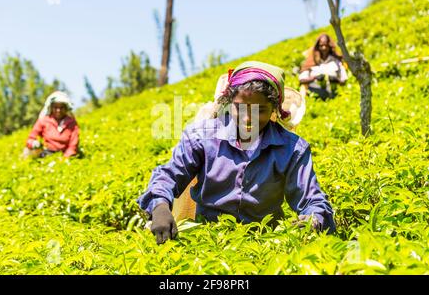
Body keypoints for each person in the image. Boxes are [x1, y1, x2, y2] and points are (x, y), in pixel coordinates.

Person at [137, 61, 336, 244]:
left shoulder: (292, 149)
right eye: (240, 108)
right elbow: (169, 175)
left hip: (264, 243)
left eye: (260, 110)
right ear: (229, 102)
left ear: (274, 109)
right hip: (208, 239)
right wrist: (160, 206)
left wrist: (313, 220)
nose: (248, 119)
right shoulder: (202, 137)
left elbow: (313, 199)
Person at [24, 91, 79, 158]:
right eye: (55, 107)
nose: (58, 110)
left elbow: (73, 144)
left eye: (61, 107)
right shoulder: (44, 120)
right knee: (27, 151)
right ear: (51, 108)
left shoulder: (71, 123)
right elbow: (31, 137)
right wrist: (33, 143)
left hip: (65, 154)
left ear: (66, 108)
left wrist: (66, 158)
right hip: (46, 153)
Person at [299, 33, 348, 100]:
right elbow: (302, 80)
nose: (324, 48)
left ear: (329, 46)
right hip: (314, 93)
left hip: (333, 93)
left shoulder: (336, 61)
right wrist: (314, 78)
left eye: (326, 45)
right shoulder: (311, 61)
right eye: (321, 45)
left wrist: (336, 80)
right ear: (318, 47)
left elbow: (344, 80)